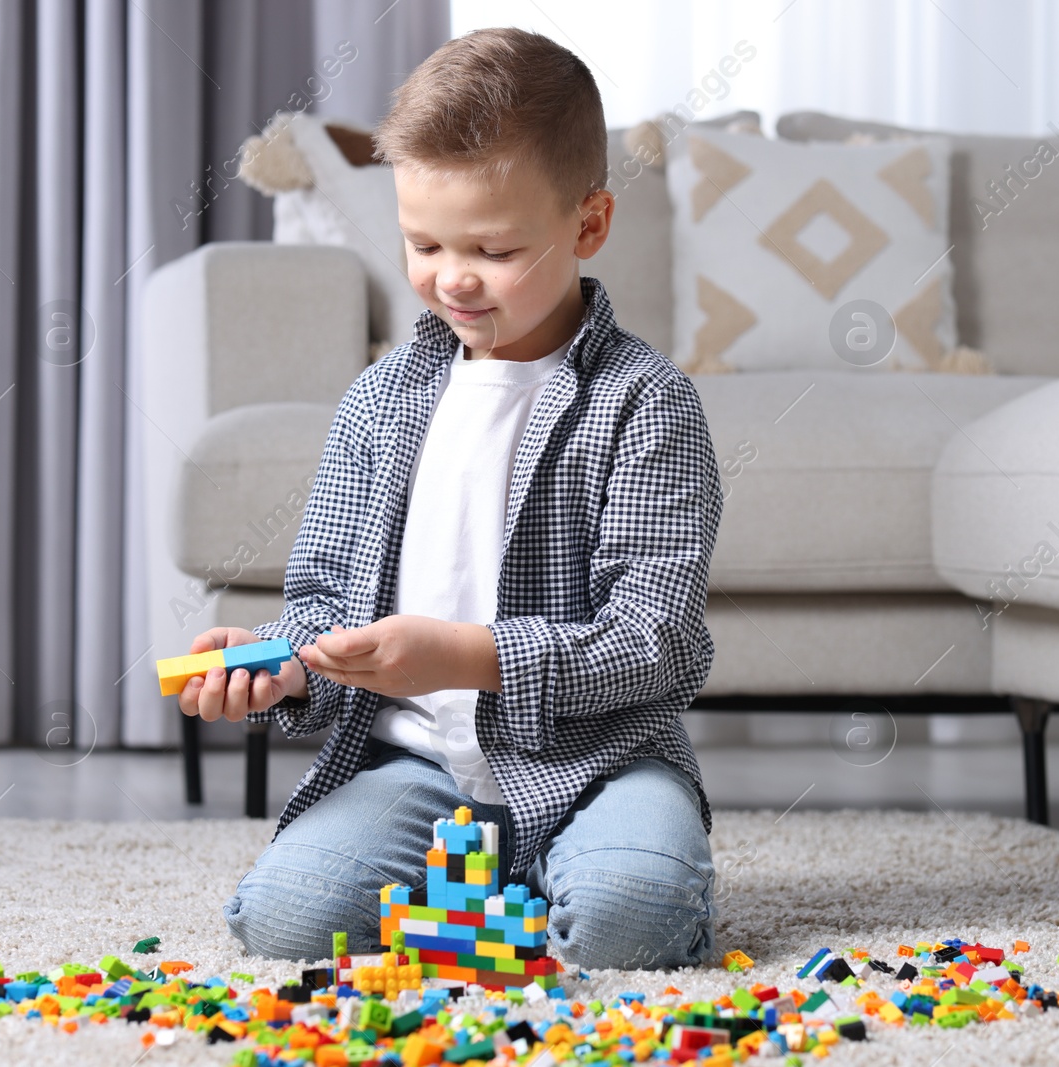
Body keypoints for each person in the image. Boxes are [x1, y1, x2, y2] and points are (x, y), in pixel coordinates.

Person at [175, 27, 724, 972]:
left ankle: (575, 863)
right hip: (415, 767)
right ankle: (507, 882)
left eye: (495, 247)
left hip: (599, 758)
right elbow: (324, 605)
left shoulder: (647, 402)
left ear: (588, 225)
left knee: (633, 920)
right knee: (287, 924)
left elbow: (657, 643)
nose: (451, 277)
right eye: (423, 243)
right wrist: (287, 665)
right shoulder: (382, 398)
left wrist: (465, 656)